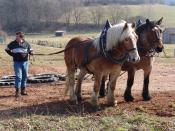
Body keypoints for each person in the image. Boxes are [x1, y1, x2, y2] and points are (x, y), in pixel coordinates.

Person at [5, 32, 33, 97]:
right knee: (18, 76)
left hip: (25, 62)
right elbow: (6, 49)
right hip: (17, 62)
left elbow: (31, 50)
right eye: (16, 36)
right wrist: (13, 55)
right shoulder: (12, 43)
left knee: (25, 76)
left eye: (17, 36)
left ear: (21, 37)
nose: (16, 38)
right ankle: (17, 92)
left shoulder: (26, 44)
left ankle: (23, 91)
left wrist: (31, 52)